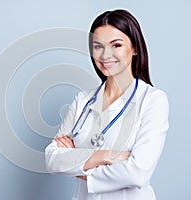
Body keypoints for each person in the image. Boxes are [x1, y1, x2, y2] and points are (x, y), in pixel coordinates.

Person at [45, 9, 169, 200]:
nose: (105, 55)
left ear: (135, 48)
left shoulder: (152, 100)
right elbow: (52, 159)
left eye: (116, 45)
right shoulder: (83, 100)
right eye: (98, 46)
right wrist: (104, 155)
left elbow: (137, 173)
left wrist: (76, 161)